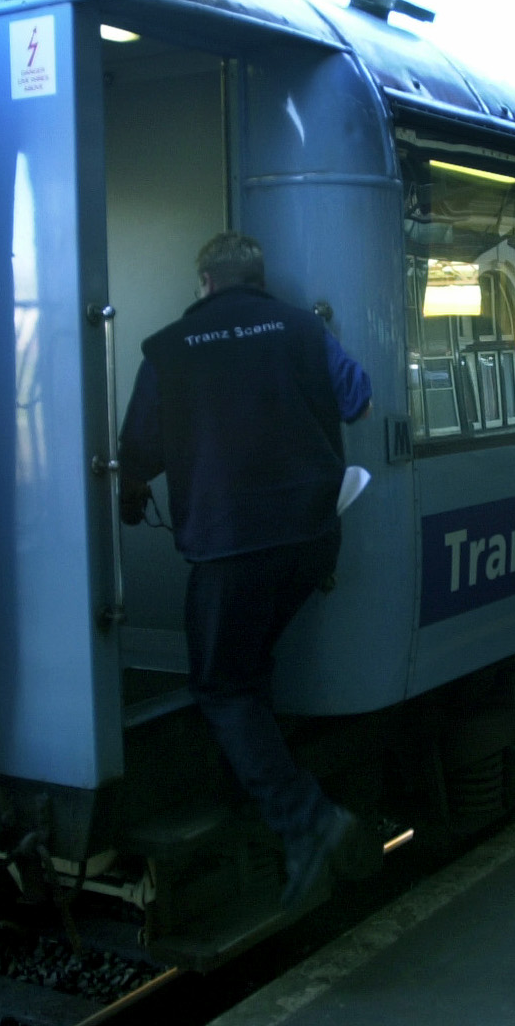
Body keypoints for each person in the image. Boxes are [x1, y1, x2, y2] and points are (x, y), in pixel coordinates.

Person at [116, 231, 373, 908]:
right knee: (249, 672)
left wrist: (134, 489)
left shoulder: (170, 346)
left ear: (204, 281)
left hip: (231, 548)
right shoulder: (299, 328)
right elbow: (360, 400)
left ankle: (308, 822)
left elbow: (136, 452)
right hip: (313, 538)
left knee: (221, 685)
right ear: (257, 279)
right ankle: (254, 803)